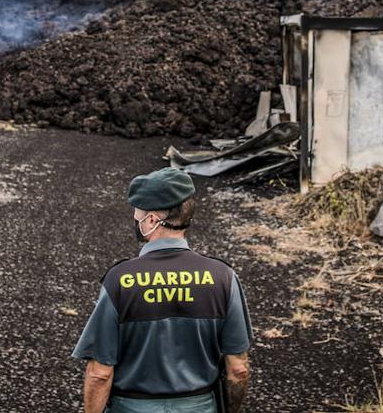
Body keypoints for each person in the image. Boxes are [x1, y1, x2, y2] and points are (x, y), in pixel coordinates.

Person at [73, 167, 252, 413]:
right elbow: (238, 369)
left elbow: (99, 374)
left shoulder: (120, 280)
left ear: (151, 220)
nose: (135, 219)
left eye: (138, 212)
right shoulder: (223, 277)